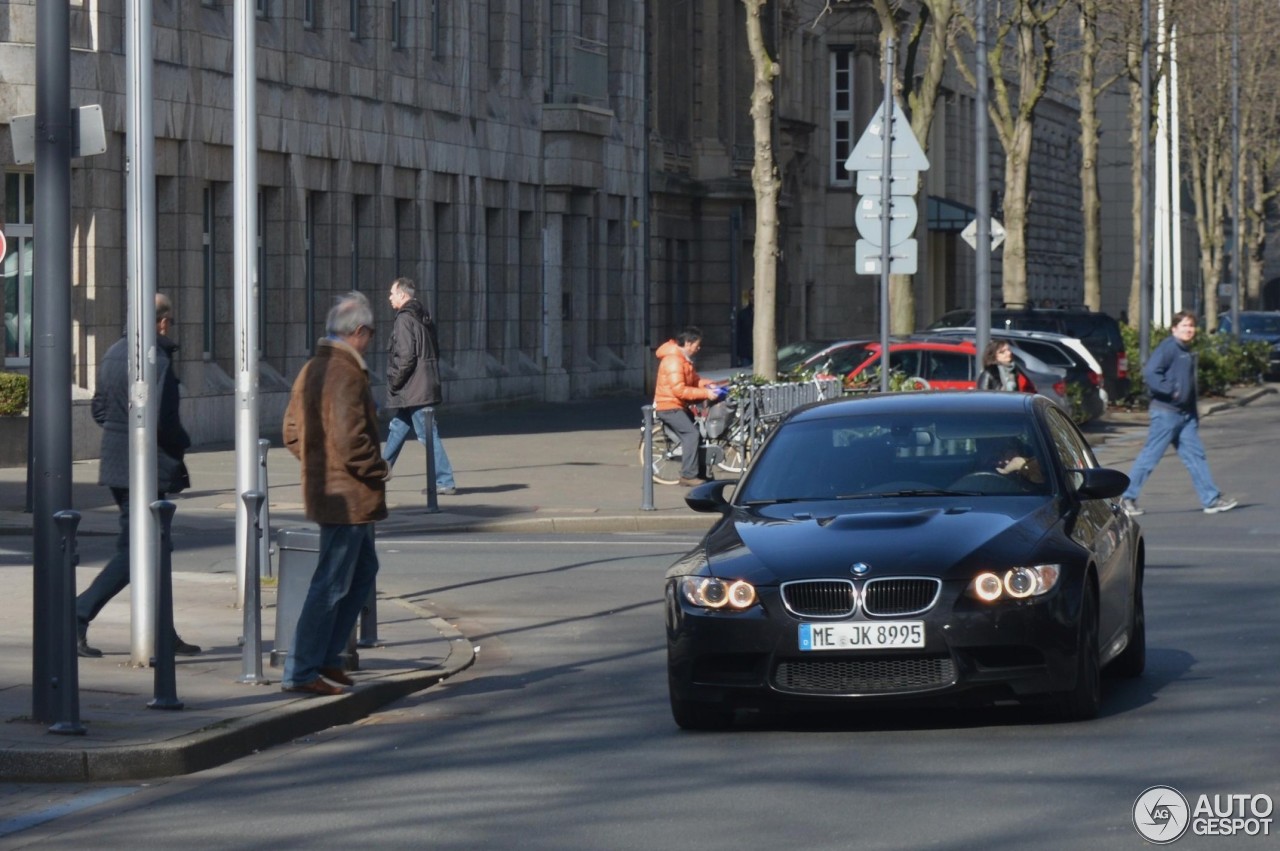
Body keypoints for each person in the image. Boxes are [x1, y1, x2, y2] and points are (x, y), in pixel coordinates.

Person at [76, 294, 201, 658]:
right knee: (141, 550)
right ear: (161, 322)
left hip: (116, 462)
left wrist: (120, 432)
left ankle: (162, 631)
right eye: (171, 321)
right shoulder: (156, 358)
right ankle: (79, 611)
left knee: (154, 547)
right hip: (146, 466)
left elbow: (99, 408)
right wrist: (182, 443)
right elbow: (164, 421)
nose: (171, 327)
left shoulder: (115, 351)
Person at [281, 292, 391, 696]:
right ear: (359, 332)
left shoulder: (313, 368)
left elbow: (291, 432)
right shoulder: (345, 373)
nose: (372, 341)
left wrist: (316, 461)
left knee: (361, 572)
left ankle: (326, 658)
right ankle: (302, 669)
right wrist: (379, 469)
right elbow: (351, 441)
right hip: (349, 496)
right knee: (331, 583)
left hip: (332, 491)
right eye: (372, 334)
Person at [1121, 311, 1237, 516]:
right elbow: (1150, 372)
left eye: (1191, 326)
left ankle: (1211, 499)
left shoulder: (1185, 350)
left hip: (1185, 416)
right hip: (1166, 413)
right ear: (1174, 328)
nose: (1188, 330)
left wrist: (1192, 414)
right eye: (1184, 326)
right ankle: (1127, 498)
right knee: (1150, 457)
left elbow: (1188, 387)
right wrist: (1171, 391)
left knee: (1196, 457)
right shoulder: (1169, 347)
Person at [382, 277, 456, 495]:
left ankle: (445, 480)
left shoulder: (404, 319)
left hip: (413, 388)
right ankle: (377, 474)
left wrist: (394, 382)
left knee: (427, 434)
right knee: (398, 428)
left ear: (403, 295)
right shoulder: (423, 316)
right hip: (420, 386)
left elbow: (406, 357)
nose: (389, 297)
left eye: (392, 293)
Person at [653, 327, 727, 486]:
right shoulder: (673, 361)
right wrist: (706, 394)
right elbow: (679, 390)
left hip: (677, 405)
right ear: (688, 343)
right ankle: (687, 475)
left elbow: (694, 381)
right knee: (691, 435)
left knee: (698, 434)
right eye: (697, 345)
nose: (698, 348)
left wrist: (709, 384)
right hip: (669, 406)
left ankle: (700, 474)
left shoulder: (683, 360)